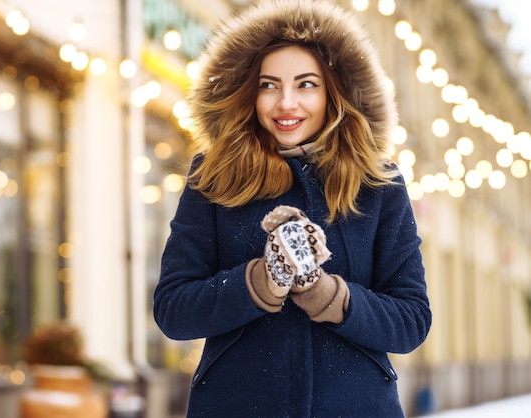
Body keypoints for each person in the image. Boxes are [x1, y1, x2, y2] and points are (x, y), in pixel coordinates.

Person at [153, 0, 432, 416]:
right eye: (268, 85)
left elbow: (411, 320)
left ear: (335, 91)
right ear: (249, 91)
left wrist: (328, 294)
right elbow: (174, 310)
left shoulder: (378, 184)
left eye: (306, 84)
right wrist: (261, 281)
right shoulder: (212, 176)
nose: (286, 103)